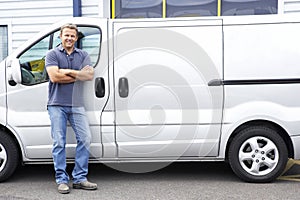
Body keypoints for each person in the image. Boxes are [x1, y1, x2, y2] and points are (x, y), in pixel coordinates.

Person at [45, 23, 97, 194]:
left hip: (77, 105)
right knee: (59, 142)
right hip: (56, 104)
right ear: (61, 36)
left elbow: (89, 75)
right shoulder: (52, 54)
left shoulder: (83, 55)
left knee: (85, 139)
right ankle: (61, 179)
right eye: (66, 35)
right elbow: (54, 76)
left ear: (76, 38)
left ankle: (80, 178)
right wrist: (77, 75)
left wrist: (67, 71)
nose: (69, 38)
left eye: (72, 36)